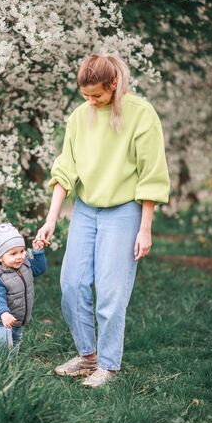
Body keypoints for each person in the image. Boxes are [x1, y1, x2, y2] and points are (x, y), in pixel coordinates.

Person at [36, 54, 170, 387]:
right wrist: (51, 219)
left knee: (110, 292)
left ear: (114, 84)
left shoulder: (141, 115)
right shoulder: (80, 117)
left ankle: (108, 366)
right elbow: (66, 169)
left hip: (124, 211)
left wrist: (145, 228)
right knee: (71, 284)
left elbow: (151, 174)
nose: (91, 102)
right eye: (86, 96)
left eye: (97, 95)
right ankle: (87, 357)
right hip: (85, 209)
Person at [0, 223, 47, 356]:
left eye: (22, 251)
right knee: (6, 343)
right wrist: (3, 313)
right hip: (1, 318)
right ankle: (3, 366)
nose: (19, 256)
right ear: (0, 257)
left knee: (16, 339)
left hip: (19, 316)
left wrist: (38, 252)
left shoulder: (24, 264)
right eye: (13, 254)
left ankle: (13, 364)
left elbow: (40, 269)